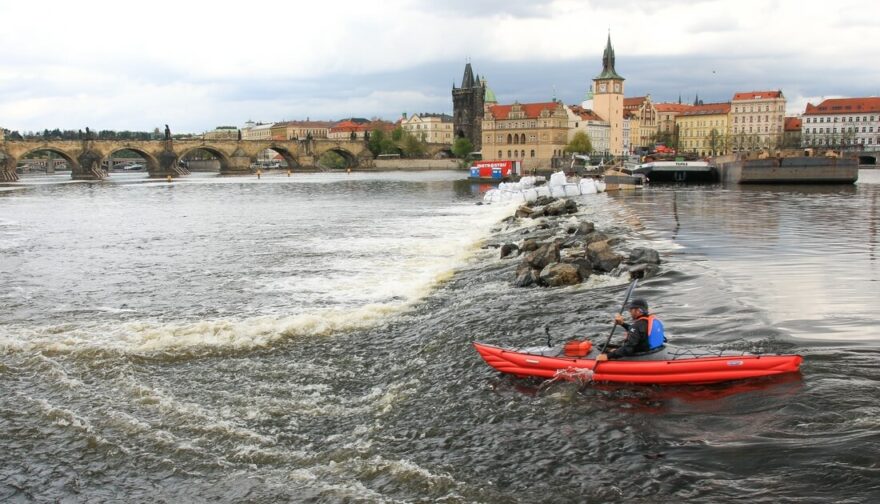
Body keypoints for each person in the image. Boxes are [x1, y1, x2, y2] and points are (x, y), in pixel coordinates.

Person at [596, 298, 665, 361]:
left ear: (638, 311)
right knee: (604, 346)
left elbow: (628, 349)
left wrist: (607, 356)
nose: (629, 311)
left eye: (631, 309)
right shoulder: (650, 321)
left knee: (607, 349)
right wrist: (622, 324)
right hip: (653, 350)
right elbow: (639, 332)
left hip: (641, 354)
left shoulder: (637, 325)